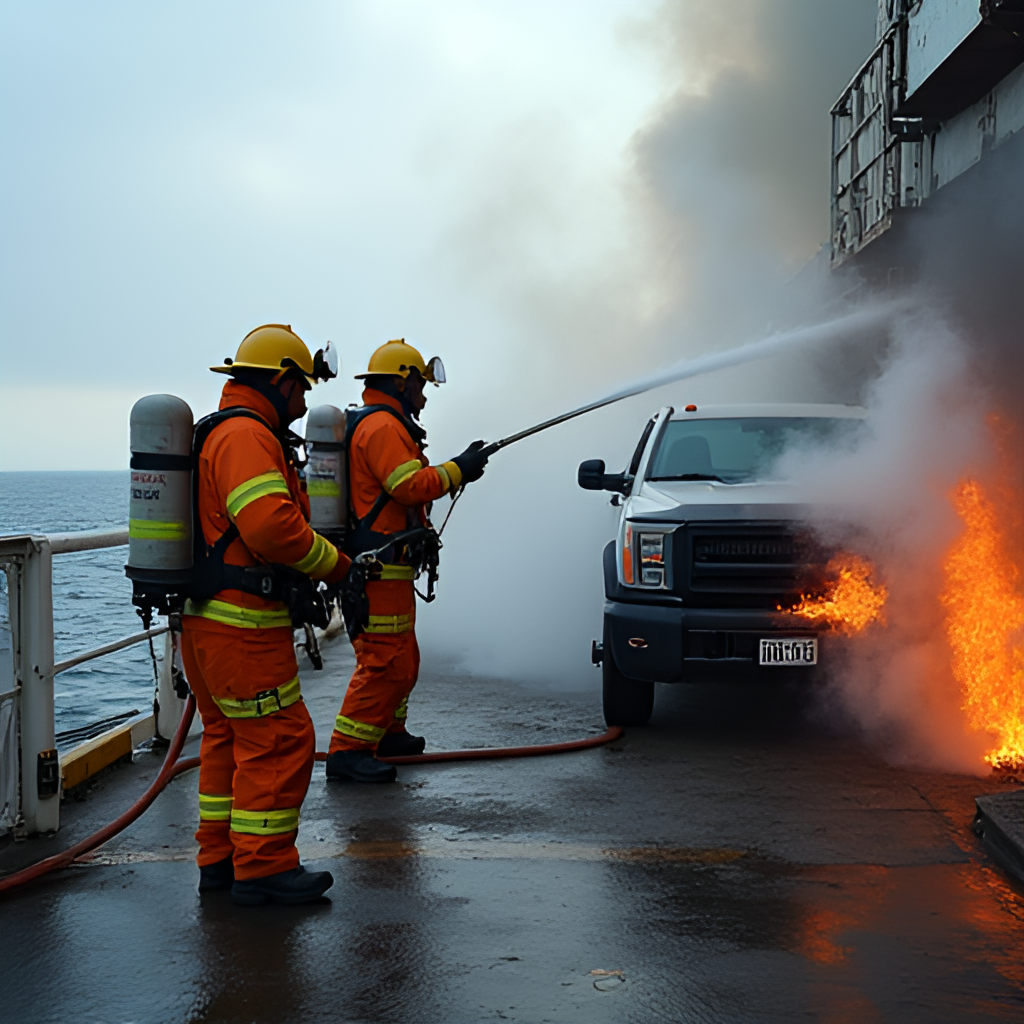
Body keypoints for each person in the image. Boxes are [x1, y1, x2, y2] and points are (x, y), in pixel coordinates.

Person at [181, 323, 351, 905]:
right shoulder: (249, 437)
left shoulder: (224, 432)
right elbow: (270, 527)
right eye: (300, 388)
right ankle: (264, 868)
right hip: (242, 627)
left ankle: (220, 862)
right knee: (279, 739)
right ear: (279, 381)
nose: (304, 403)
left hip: (209, 623)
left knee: (228, 740)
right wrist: (336, 565)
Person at [325, 339, 488, 783]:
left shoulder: (385, 423)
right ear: (403, 380)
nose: (425, 393)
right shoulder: (382, 428)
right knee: (383, 662)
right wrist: (461, 468)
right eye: (421, 383)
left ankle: (386, 733)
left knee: (403, 658)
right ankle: (348, 751)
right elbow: (409, 486)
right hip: (378, 570)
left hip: (388, 570)